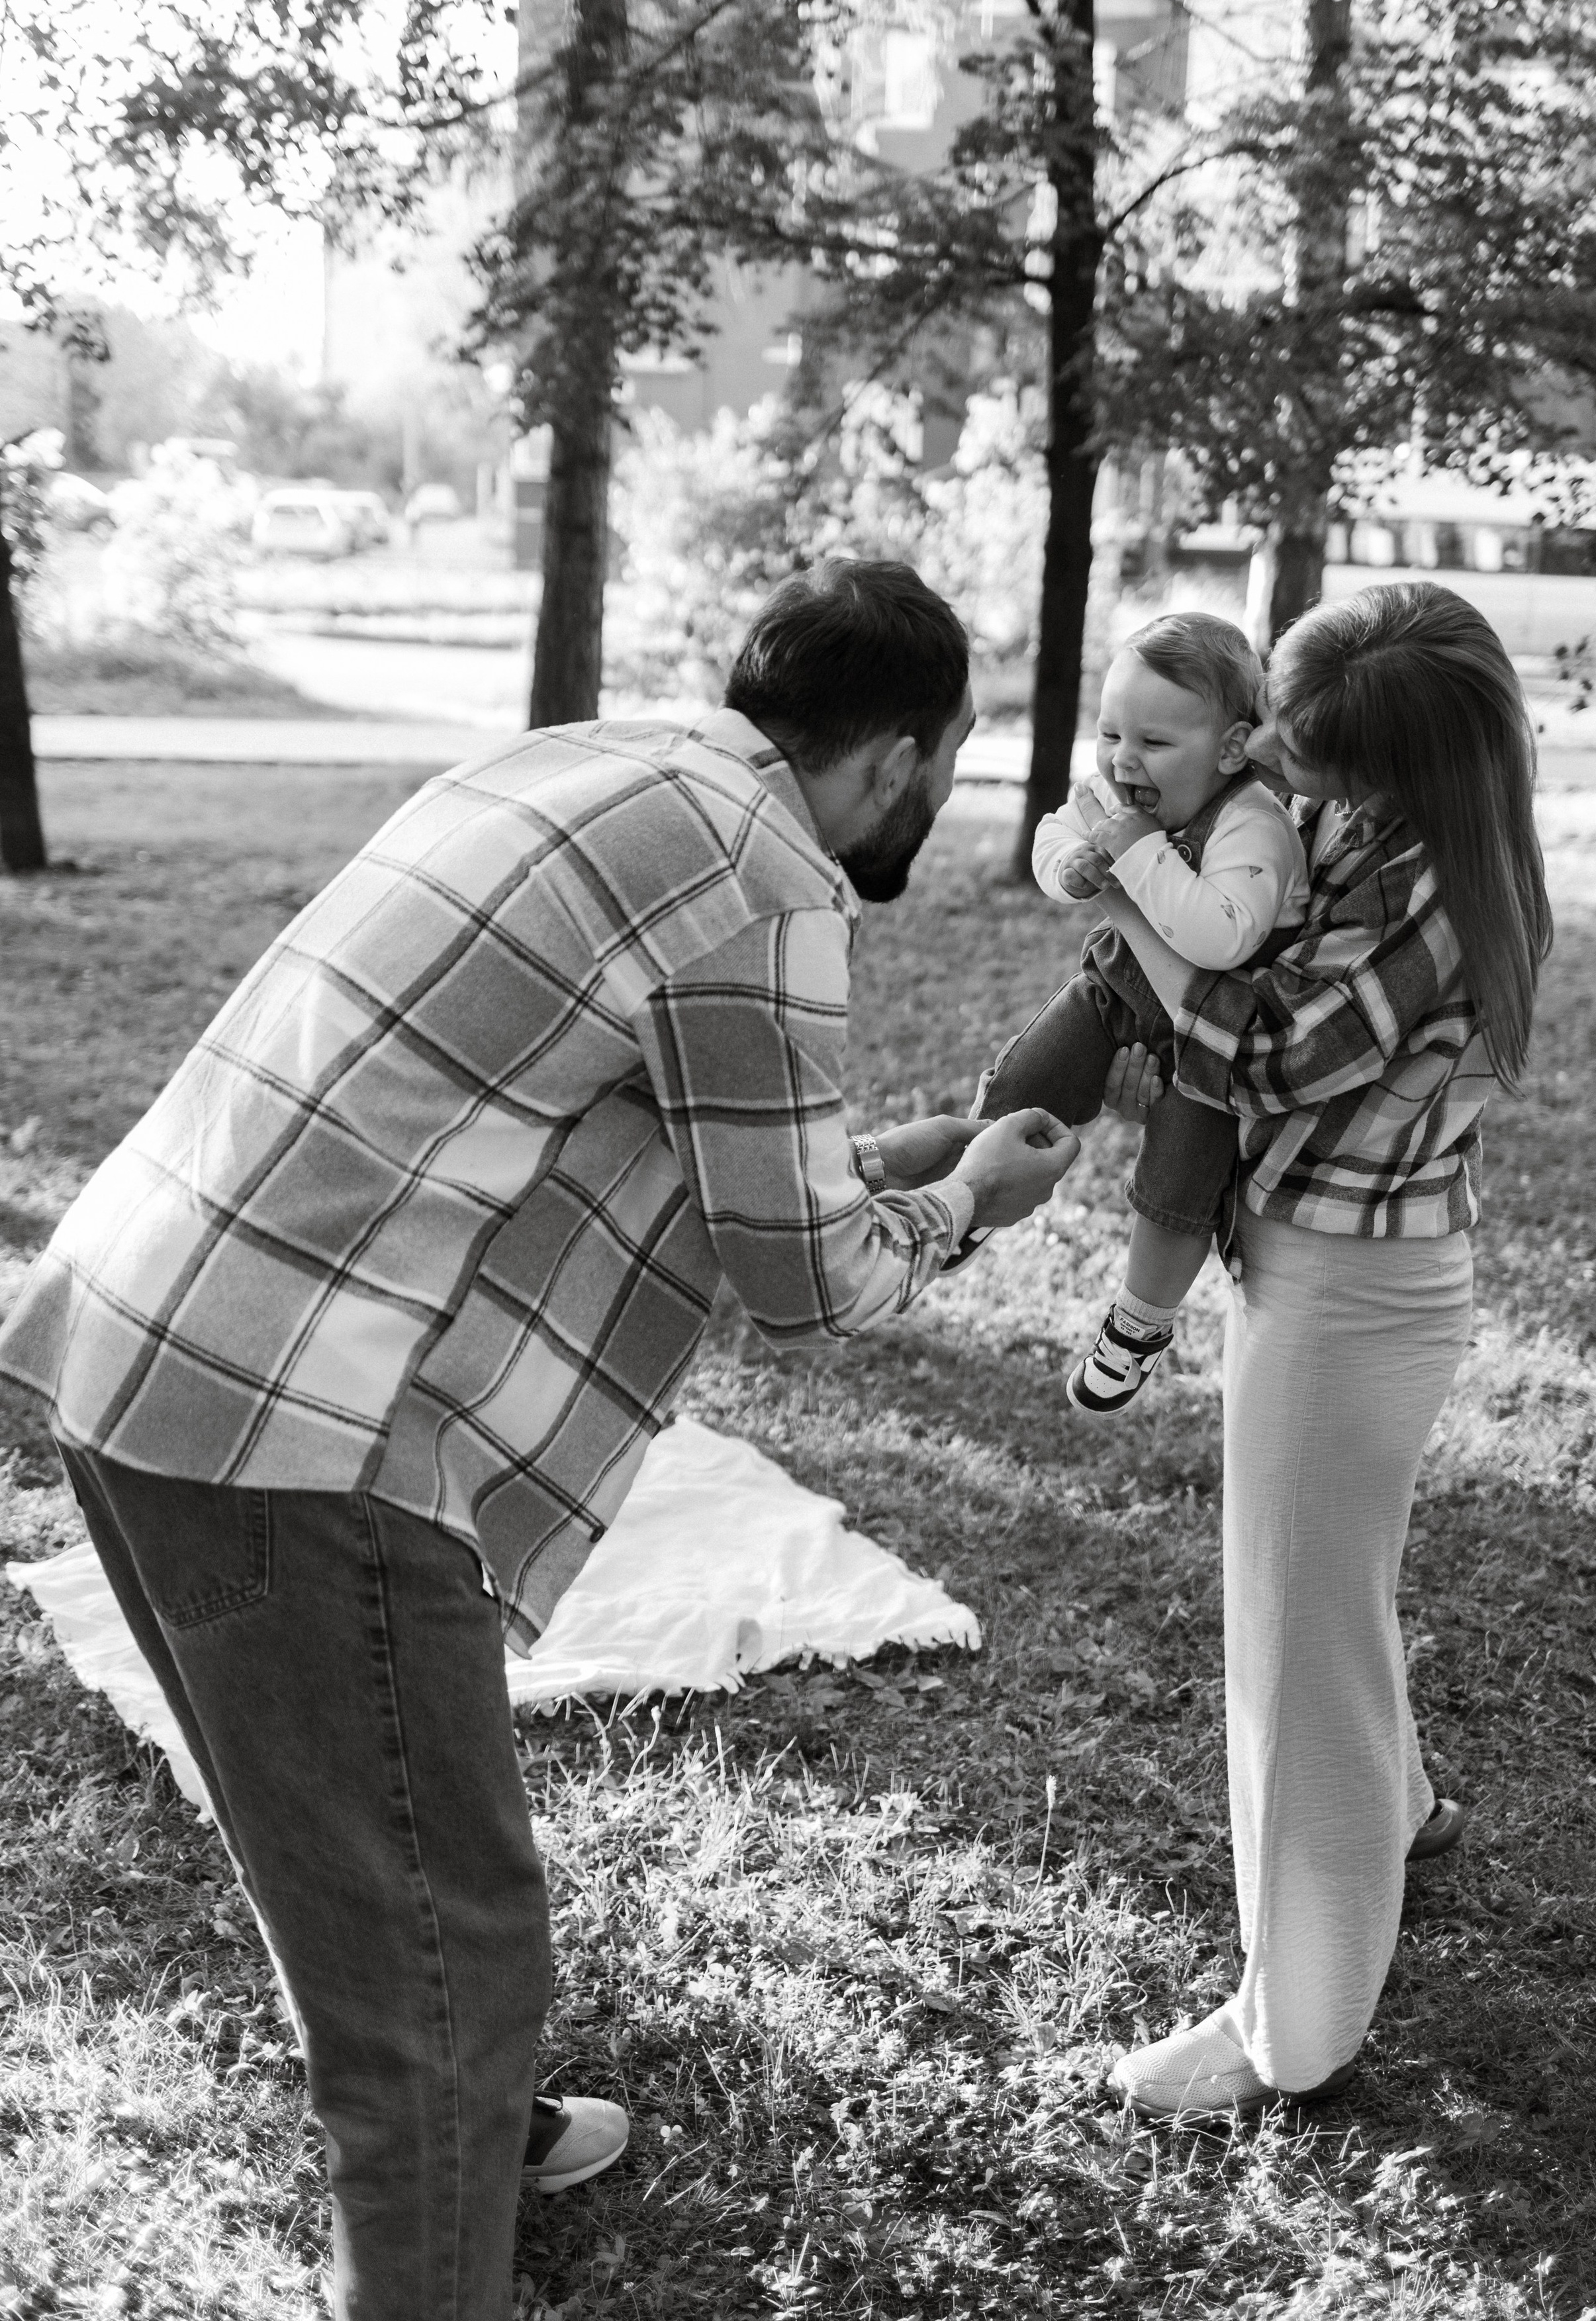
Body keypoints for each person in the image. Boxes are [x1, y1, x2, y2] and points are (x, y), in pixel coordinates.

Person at [0, 557, 1080, 2320]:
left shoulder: (585, 769)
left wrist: (893, 1159)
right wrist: (970, 1208)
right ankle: (432, 2240)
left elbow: (654, 1151)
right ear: (893, 759)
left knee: (360, 1871)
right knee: (445, 1942)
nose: (934, 807)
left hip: (154, 1342)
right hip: (310, 1432)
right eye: (945, 771)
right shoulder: (770, 879)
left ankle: (471, 2148)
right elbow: (805, 1287)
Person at [1096, 580, 1552, 2122]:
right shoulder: (1378, 828)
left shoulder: (1428, 879)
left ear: (1407, 764)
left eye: (1324, 751)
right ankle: (1404, 1807)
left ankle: (1288, 2024)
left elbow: (1277, 1063)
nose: (1284, 758)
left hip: (1351, 1291)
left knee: (1291, 1658)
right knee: (1330, 1599)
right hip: (1323, 1262)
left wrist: (1126, 907)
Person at [976, 613, 1308, 1415]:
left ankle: (1139, 1323)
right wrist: (1073, 869)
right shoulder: (1116, 796)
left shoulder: (1252, 824)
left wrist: (1131, 852)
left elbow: (1221, 937)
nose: (1123, 760)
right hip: (1117, 994)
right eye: (1110, 733)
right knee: (1024, 1082)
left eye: (1154, 744)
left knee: (1178, 1183)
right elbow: (1055, 837)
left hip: (1211, 1037)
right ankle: (971, 1195)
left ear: (1231, 749)